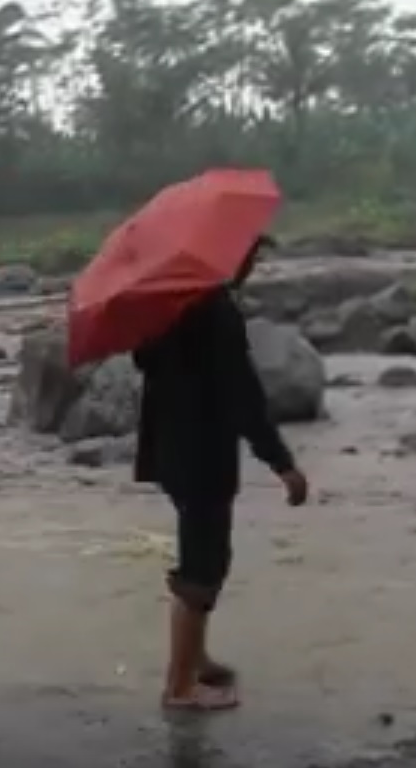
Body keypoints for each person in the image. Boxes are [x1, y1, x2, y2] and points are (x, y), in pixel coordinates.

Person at [130, 236, 310, 712]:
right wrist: (283, 463)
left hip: (171, 451)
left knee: (202, 555)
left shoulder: (168, 306)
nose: (252, 264)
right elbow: (243, 397)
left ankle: (195, 659)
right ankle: (179, 685)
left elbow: (146, 362)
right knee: (204, 563)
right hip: (202, 453)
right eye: (250, 255)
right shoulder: (214, 310)